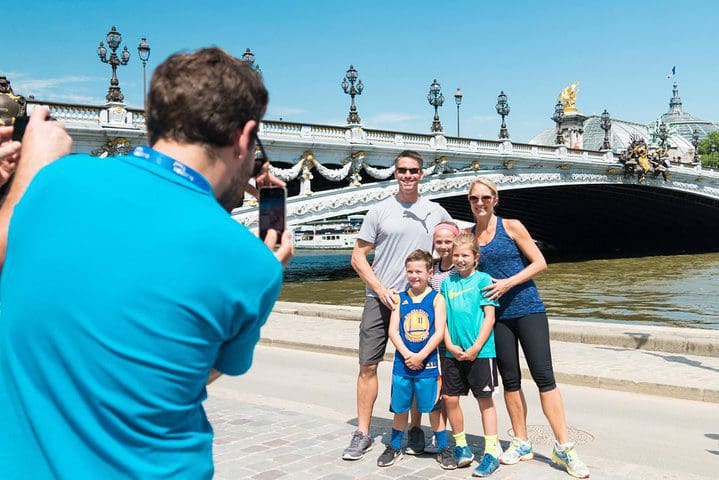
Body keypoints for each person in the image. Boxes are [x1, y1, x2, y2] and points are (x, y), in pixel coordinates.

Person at [0, 47, 294, 480]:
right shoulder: (249, 264)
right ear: (245, 135)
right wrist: (270, 271)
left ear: (154, 121)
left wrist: (27, 172)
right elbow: (186, 375)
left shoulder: (51, 181)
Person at [467, 177, 590, 479]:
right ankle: (521, 442)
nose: (480, 203)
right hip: (496, 317)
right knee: (510, 381)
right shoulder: (467, 235)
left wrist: (508, 282)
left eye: (485, 197)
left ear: (495, 199)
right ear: (469, 202)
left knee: (544, 377)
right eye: (474, 198)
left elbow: (540, 262)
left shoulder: (512, 226)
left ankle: (564, 447)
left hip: (528, 309)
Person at [343, 150, 452, 460]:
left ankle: (415, 428)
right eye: (402, 170)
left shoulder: (436, 212)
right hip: (380, 300)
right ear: (395, 173)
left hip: (421, 301)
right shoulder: (379, 211)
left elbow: (457, 244)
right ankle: (362, 431)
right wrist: (380, 289)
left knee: (419, 365)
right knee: (368, 365)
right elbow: (358, 257)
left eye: (413, 170)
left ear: (422, 174)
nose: (408, 175)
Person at [377, 249, 456, 470]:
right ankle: (394, 446)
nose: (414, 276)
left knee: (433, 408)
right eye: (410, 271)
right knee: (400, 407)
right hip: (403, 364)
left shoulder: (436, 299)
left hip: (428, 364)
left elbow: (439, 331)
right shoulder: (400, 299)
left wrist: (421, 355)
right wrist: (406, 354)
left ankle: (442, 447)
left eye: (419, 271)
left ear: (430, 272)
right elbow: (393, 331)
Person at [441, 233, 501, 477]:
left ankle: (490, 452)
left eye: (465, 255)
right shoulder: (448, 283)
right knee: (450, 398)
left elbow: (490, 316)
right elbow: (442, 317)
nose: (460, 259)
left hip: (481, 351)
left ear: (476, 257)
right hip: (452, 351)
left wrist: (476, 347)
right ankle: (462, 446)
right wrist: (448, 343)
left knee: (484, 401)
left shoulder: (483, 280)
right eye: (456, 255)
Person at [424, 221, 459, 454]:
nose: (444, 246)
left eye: (448, 241)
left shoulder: (462, 267)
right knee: (435, 388)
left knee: (451, 392)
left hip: (453, 334)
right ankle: (439, 434)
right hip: (432, 334)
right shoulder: (432, 269)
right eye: (439, 242)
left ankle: (458, 437)